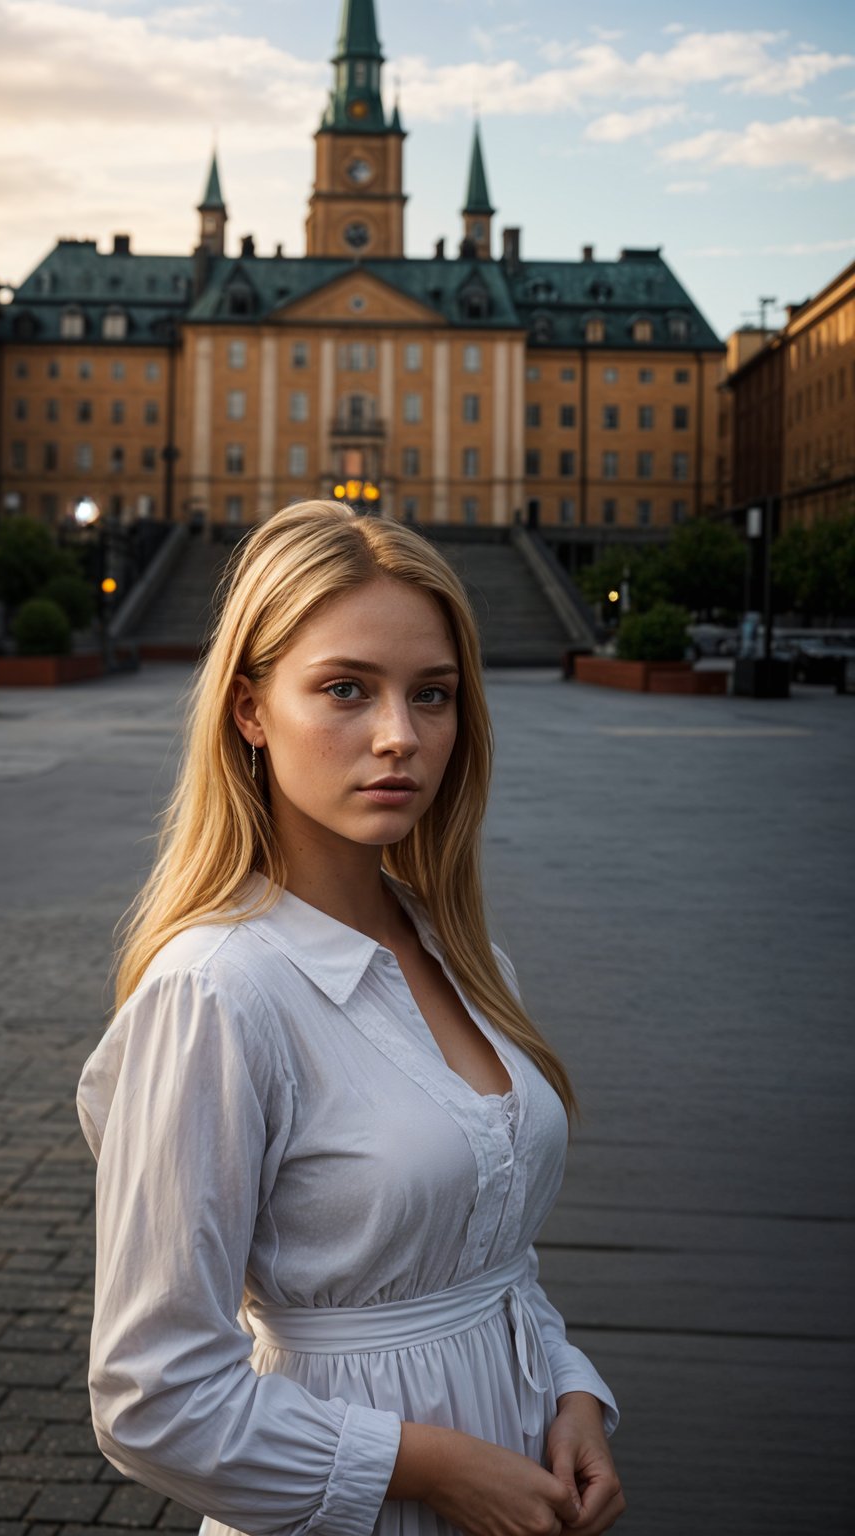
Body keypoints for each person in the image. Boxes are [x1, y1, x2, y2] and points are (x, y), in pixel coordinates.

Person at [77, 501, 625, 1536]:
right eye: (344, 689)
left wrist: (573, 1394)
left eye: (432, 695)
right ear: (248, 709)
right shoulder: (218, 992)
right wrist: (421, 1468)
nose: (398, 739)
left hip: (520, 1491)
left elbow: (490, 1251)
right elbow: (150, 1397)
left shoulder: (463, 954)